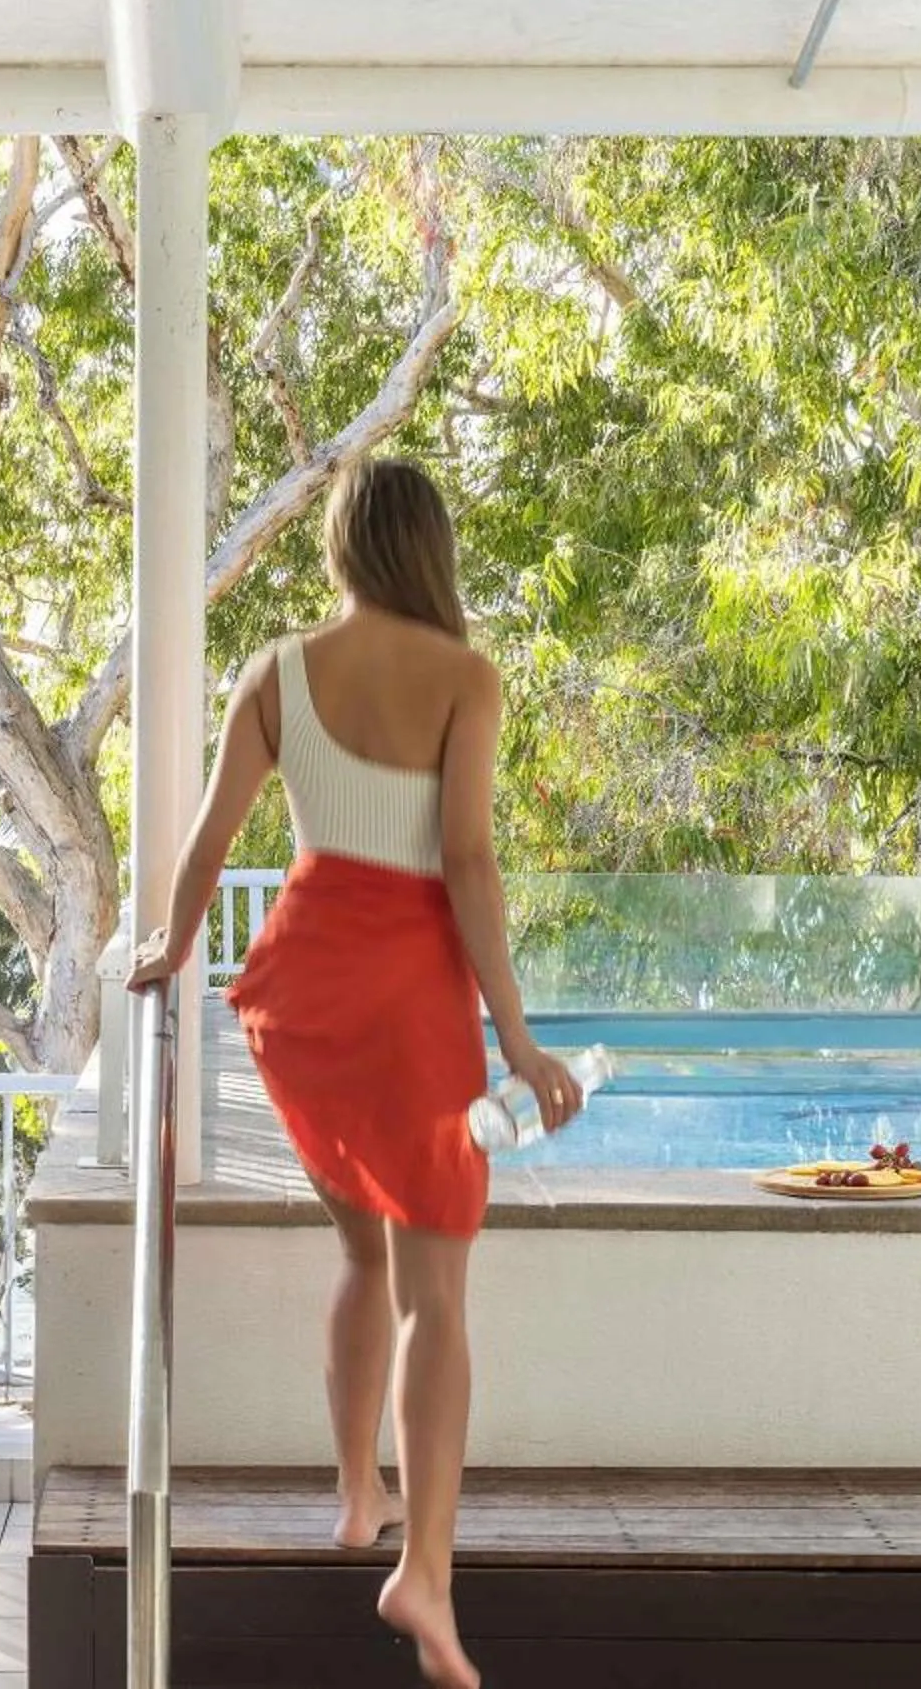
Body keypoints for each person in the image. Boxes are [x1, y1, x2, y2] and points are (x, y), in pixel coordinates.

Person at [130, 456, 580, 1689]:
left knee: (357, 1252)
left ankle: (352, 1498)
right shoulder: (466, 679)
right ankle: (422, 1572)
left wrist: (171, 951)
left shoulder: (276, 674)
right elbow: (470, 865)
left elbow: (210, 840)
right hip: (409, 996)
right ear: (430, 551)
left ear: (342, 548)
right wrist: (521, 1041)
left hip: (305, 995)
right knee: (438, 1288)